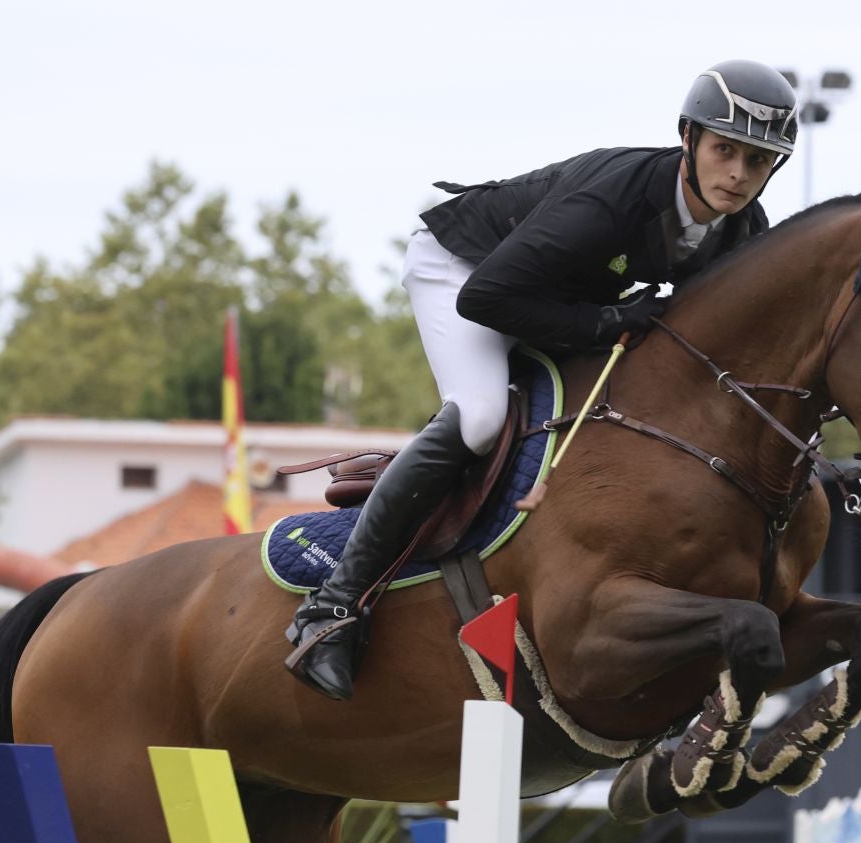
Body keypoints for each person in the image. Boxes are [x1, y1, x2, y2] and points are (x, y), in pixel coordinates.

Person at [286, 61, 799, 699]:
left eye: (759, 161)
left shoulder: (743, 230)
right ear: (688, 139)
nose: (738, 175)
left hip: (555, 296)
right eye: (726, 151)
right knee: (478, 417)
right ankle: (332, 611)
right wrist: (609, 318)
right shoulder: (612, 201)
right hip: (464, 274)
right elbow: (486, 299)